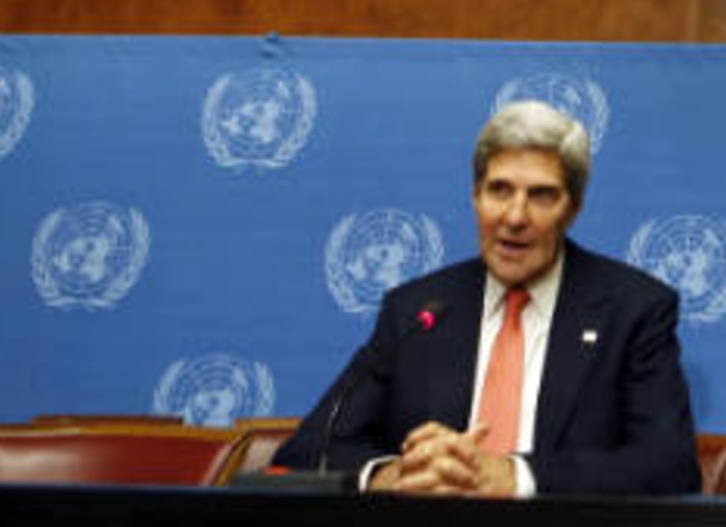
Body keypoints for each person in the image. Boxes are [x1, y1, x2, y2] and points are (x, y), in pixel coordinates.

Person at [275, 102, 701, 497]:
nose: (515, 217)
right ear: (475, 197)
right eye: (499, 190)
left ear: (573, 208)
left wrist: (514, 475)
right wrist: (395, 474)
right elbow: (312, 448)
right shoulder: (418, 310)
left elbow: (669, 465)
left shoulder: (633, 309)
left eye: (541, 195)